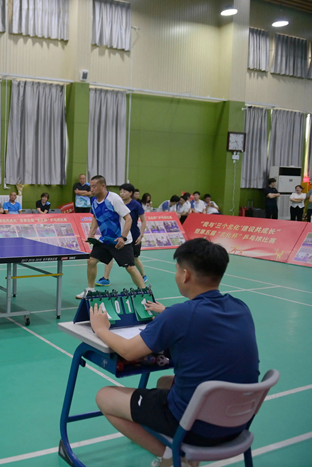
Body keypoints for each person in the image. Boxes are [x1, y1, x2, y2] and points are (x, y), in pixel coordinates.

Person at [90, 238, 259, 467]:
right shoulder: (241, 307)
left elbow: (129, 352)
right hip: (237, 423)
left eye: (177, 270)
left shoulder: (179, 315)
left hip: (196, 427)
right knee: (164, 382)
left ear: (186, 275)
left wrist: (101, 328)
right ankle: (174, 452)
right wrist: (167, 313)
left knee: (104, 396)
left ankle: (175, 458)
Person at [76, 175, 145, 299]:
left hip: (120, 240)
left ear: (103, 186)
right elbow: (95, 216)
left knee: (130, 268)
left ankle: (145, 293)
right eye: (91, 186)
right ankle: (90, 290)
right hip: (105, 240)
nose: (91, 189)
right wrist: (92, 232)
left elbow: (128, 218)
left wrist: (123, 237)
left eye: (94, 186)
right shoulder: (94, 200)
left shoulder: (114, 199)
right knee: (91, 261)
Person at [96, 183, 148, 287]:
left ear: (131, 193)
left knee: (134, 259)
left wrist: (141, 235)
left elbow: (143, 220)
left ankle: (143, 275)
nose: (122, 194)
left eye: (124, 192)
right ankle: (106, 278)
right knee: (109, 257)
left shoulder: (136, 205)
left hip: (133, 236)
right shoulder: (116, 202)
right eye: (121, 191)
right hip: (118, 236)